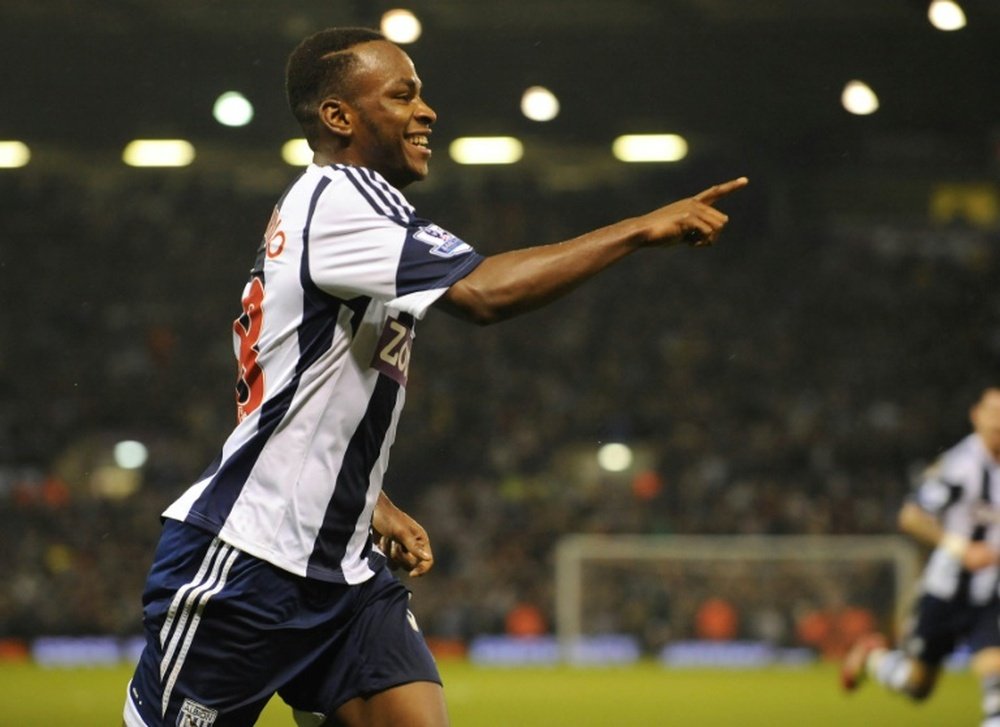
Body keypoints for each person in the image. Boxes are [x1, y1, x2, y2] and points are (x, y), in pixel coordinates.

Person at [123, 26, 748, 727]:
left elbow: (295, 381)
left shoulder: (356, 208)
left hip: (345, 571)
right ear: (339, 116)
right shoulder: (336, 203)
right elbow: (483, 294)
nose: (428, 111)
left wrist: (367, 497)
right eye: (403, 94)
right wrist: (638, 228)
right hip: (247, 564)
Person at [841, 387, 1000, 727]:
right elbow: (910, 516)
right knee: (916, 686)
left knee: (996, 676)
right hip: (944, 593)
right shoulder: (961, 466)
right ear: (977, 416)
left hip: (989, 595)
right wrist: (962, 548)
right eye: (993, 412)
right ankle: (874, 656)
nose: (998, 421)